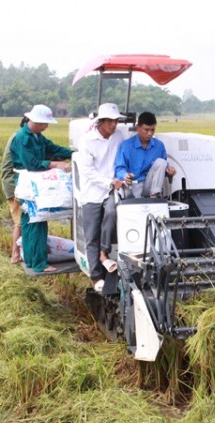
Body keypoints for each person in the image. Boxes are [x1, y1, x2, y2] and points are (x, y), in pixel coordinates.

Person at [10, 104, 73, 273]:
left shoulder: (37, 136)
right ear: (35, 121)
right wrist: (56, 164)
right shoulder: (23, 138)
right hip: (27, 184)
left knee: (29, 221)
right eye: (45, 123)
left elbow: (53, 148)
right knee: (37, 222)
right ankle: (39, 264)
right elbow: (32, 164)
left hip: (31, 184)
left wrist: (73, 153)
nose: (46, 126)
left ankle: (30, 260)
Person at [75, 103, 126, 292]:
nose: (113, 125)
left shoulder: (119, 136)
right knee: (91, 235)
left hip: (112, 190)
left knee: (112, 213)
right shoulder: (87, 141)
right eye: (110, 121)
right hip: (92, 192)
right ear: (101, 122)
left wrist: (120, 179)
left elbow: (122, 158)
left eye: (116, 121)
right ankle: (96, 276)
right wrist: (109, 182)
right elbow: (87, 172)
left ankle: (104, 254)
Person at [115, 112, 175, 198]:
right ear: (138, 128)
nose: (150, 133)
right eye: (146, 130)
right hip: (133, 185)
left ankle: (154, 196)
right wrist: (125, 175)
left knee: (161, 162)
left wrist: (169, 171)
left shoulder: (159, 146)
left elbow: (162, 168)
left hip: (150, 185)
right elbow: (119, 168)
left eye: (152, 130)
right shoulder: (126, 146)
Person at [0, 118, 27, 264]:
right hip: (13, 185)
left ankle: (21, 252)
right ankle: (15, 255)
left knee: (24, 220)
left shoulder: (18, 136)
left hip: (15, 183)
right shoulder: (19, 138)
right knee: (20, 222)